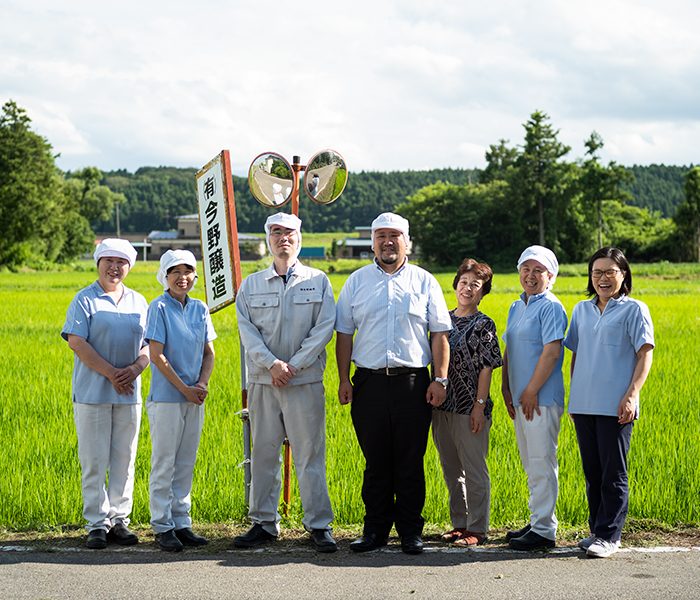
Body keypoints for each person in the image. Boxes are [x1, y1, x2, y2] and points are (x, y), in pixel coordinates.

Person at [335, 212, 452, 555]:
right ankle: (374, 530)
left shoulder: (424, 281)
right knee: (376, 461)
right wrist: (343, 379)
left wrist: (440, 379)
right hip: (369, 384)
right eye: (381, 235)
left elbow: (439, 334)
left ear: (406, 241)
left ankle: (411, 532)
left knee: (410, 460)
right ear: (373, 241)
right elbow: (344, 334)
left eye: (395, 235)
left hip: (413, 384)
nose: (388, 241)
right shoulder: (356, 281)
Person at [234, 212, 337, 553]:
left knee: (309, 454)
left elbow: (323, 329)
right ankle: (264, 522)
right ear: (268, 239)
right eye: (276, 232)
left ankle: (318, 525)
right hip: (265, 383)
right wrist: (272, 364)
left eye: (289, 233)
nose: (283, 238)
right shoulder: (251, 285)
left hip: (303, 381)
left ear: (299, 237)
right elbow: (247, 332)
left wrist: (292, 365)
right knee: (263, 453)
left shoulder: (318, 281)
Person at [564, 247, 654, 558]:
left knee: (613, 472)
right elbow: (576, 354)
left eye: (610, 272)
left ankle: (610, 536)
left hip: (616, 406)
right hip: (584, 404)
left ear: (623, 275)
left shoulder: (635, 310)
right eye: (597, 272)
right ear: (591, 277)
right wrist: (574, 398)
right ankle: (596, 530)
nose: (603, 278)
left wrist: (632, 395)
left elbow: (645, 354)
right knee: (593, 472)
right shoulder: (581, 310)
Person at [62, 238, 149, 549]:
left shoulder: (139, 301)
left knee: (125, 458)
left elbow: (148, 345)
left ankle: (120, 520)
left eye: (121, 262)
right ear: (98, 263)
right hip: (92, 393)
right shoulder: (84, 300)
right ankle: (97, 523)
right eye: (109, 261)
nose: (115, 267)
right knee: (94, 459)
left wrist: (136, 368)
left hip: (129, 393)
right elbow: (77, 342)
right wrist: (112, 373)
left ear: (129, 266)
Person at [145, 250, 216, 552]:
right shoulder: (158, 307)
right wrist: (184, 389)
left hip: (193, 397)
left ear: (195, 276)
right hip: (167, 399)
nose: (182, 277)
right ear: (165, 276)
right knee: (165, 462)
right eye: (175, 271)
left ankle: (181, 522)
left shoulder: (200, 309)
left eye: (188, 271)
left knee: (185, 462)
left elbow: (209, 352)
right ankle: (162, 525)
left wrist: (200, 384)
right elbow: (156, 356)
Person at [432, 259, 503, 547]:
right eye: (464, 282)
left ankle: (478, 528)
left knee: (474, 469)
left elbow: (487, 366)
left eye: (475, 284)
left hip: (470, 407)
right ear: (456, 284)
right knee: (451, 469)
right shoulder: (442, 320)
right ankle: (459, 524)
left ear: (483, 290)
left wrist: (478, 405)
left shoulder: (484, 323)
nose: (467, 288)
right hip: (442, 407)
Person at [501, 245, 567, 551]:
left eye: (538, 270)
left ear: (550, 276)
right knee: (531, 462)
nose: (531, 275)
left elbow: (552, 352)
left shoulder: (551, 306)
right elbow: (509, 349)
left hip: (540, 398)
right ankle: (537, 519)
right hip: (520, 398)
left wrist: (529, 390)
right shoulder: (517, 307)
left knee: (542, 461)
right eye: (525, 269)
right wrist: (505, 386)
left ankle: (544, 530)